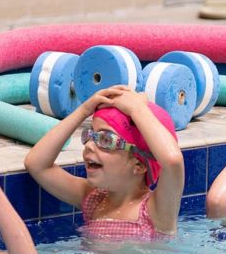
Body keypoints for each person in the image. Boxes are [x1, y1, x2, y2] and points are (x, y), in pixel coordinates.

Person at [25, 85, 183, 241]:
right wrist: (84, 110)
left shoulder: (156, 212)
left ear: (139, 165)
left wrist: (137, 109)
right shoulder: (93, 199)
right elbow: (37, 164)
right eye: (90, 135)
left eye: (106, 140)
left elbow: (172, 161)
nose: (88, 145)